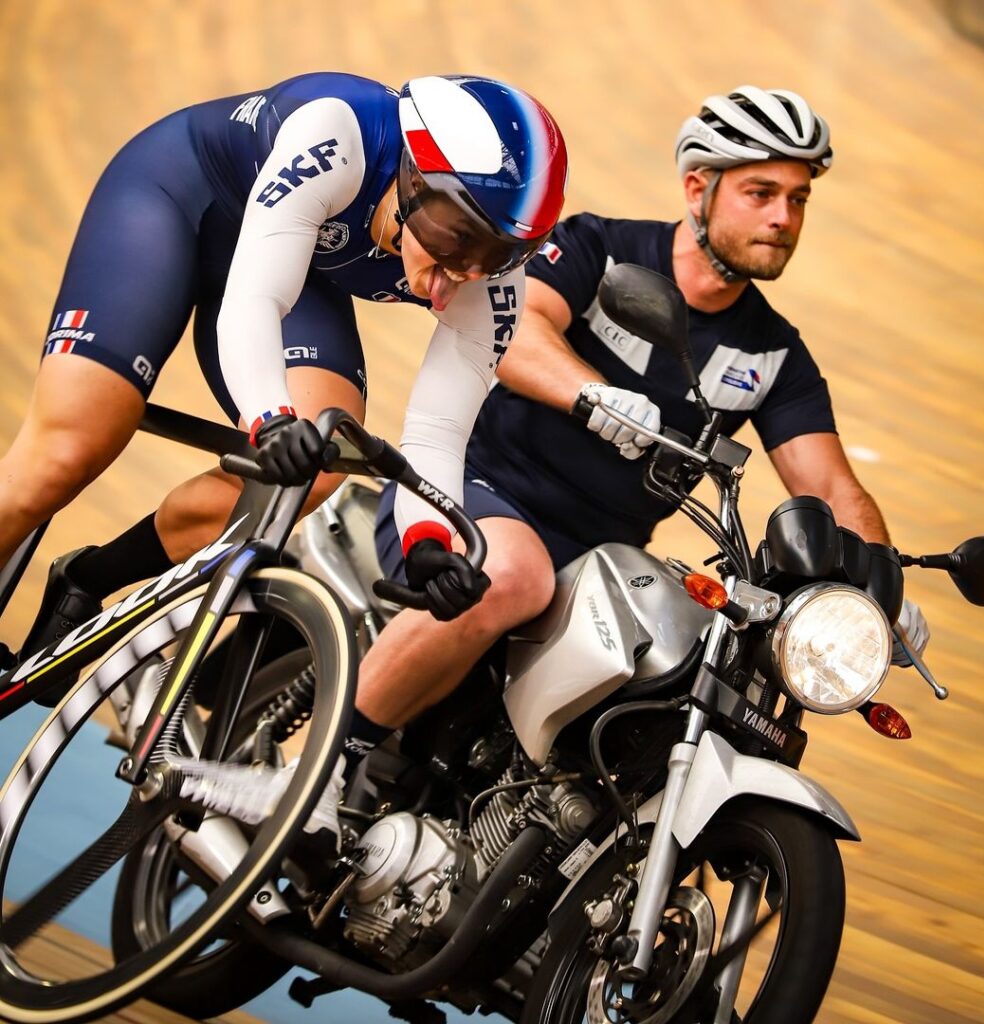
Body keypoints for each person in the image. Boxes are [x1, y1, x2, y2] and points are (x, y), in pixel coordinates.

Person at [348, 85, 930, 770]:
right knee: (513, 574)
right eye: (760, 193)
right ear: (696, 189)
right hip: (478, 495)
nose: (783, 217)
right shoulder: (603, 249)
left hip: (600, 564)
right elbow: (514, 337)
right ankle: (328, 771)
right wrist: (597, 395)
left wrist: (879, 587)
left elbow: (832, 485)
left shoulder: (774, 352)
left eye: (798, 200)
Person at [2, 72, 568, 700]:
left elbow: (437, 431)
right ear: (412, 176)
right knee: (70, 448)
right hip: (174, 200)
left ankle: (88, 579)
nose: (464, 274)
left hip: (296, 258)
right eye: (455, 237)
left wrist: (428, 541)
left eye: (499, 254)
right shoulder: (339, 130)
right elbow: (254, 298)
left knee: (316, 465)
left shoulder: (492, 283)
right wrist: (268, 418)